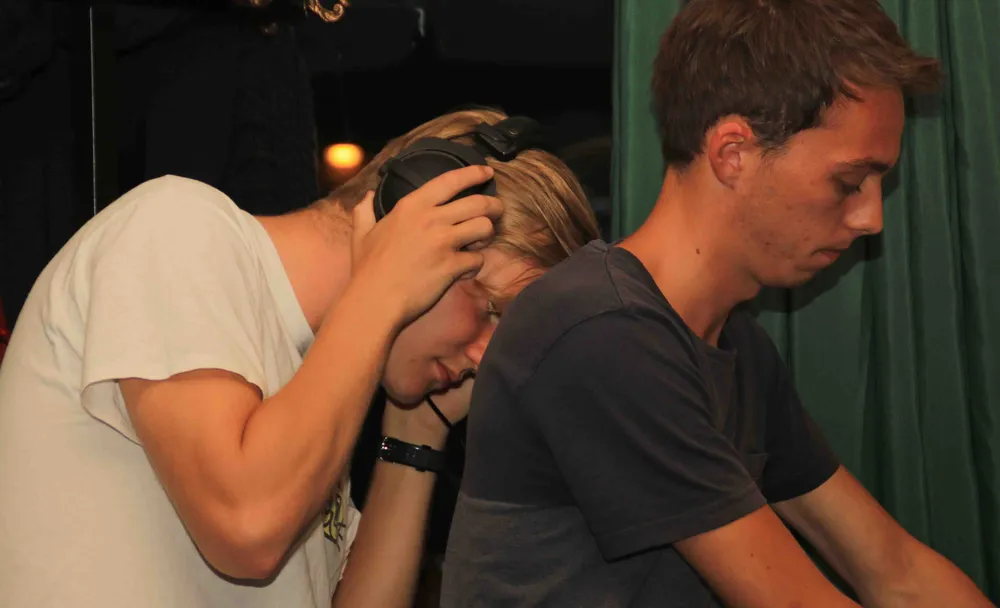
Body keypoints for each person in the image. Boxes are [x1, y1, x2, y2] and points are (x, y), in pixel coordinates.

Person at [441, 2, 995, 607]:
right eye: (848, 182)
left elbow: (897, 571)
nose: (870, 219)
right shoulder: (598, 331)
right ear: (734, 153)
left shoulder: (733, 343)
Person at [0, 108, 600, 607]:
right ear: (406, 218)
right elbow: (247, 527)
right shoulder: (177, 227)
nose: (488, 356)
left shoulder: (314, 388)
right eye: (492, 309)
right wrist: (381, 292)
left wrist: (415, 432)